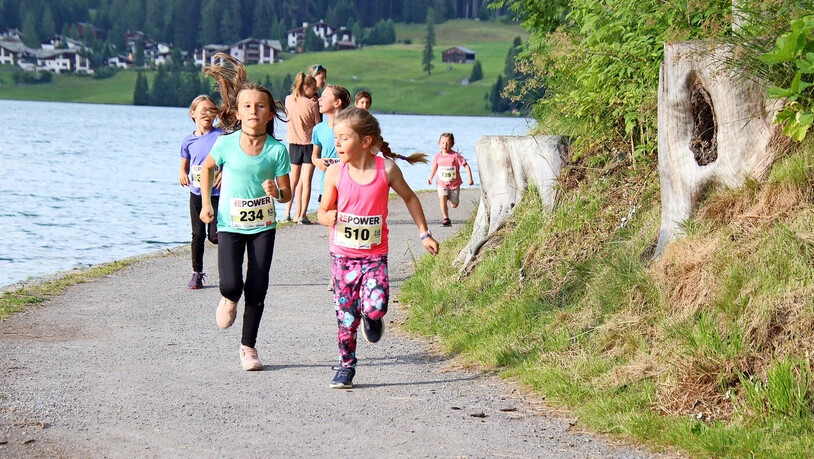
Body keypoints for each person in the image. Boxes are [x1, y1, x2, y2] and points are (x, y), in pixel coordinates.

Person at [317, 107, 439, 389]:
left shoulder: (387, 169)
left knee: (376, 306)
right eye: (335, 138)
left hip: (374, 255)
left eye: (344, 138)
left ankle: (371, 318)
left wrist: (425, 234)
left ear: (365, 141)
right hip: (343, 256)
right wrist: (327, 217)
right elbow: (322, 211)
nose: (337, 144)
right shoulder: (335, 172)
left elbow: (410, 198)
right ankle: (346, 367)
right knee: (345, 316)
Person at [199, 52, 292, 371]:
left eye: (260, 106)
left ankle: (248, 347)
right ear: (237, 113)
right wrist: (207, 204)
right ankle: (228, 299)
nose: (254, 111)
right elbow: (206, 169)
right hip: (229, 224)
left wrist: (276, 192)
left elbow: (287, 194)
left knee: (257, 286)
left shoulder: (277, 151)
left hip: (263, 226)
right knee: (231, 285)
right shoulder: (226, 144)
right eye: (248, 106)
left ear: (270, 114)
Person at [179, 95, 224, 289]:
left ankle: (228, 268)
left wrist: (224, 172)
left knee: (214, 235)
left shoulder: (221, 135)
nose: (207, 114)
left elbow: (231, 158)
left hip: (217, 194)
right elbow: (184, 166)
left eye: (211, 110)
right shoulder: (188, 141)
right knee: (197, 234)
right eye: (203, 110)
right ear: (193, 114)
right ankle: (196, 274)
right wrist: (182, 174)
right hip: (197, 193)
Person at [284, 72, 321, 224]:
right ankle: (302, 215)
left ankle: (286, 213)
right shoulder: (312, 105)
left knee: (293, 180)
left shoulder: (288, 100)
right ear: (306, 87)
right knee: (306, 181)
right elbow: (318, 125)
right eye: (314, 89)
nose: (315, 92)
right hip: (309, 144)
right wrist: (316, 104)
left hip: (293, 144)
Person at [311, 84, 351, 204]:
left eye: (324, 97)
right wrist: (318, 162)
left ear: (337, 102)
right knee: (328, 215)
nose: (319, 99)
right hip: (326, 187)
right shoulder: (318, 129)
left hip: (350, 186)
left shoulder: (352, 127)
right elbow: (314, 155)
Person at [426, 132, 474, 227]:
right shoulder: (437, 156)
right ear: (439, 144)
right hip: (441, 183)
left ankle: (451, 198)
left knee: (454, 204)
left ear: (452, 144)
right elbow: (434, 167)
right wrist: (430, 177)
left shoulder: (455, 156)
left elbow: (466, 166)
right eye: (443, 143)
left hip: (454, 184)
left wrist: (470, 178)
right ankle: (446, 218)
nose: (445, 145)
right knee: (442, 199)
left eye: (448, 143)